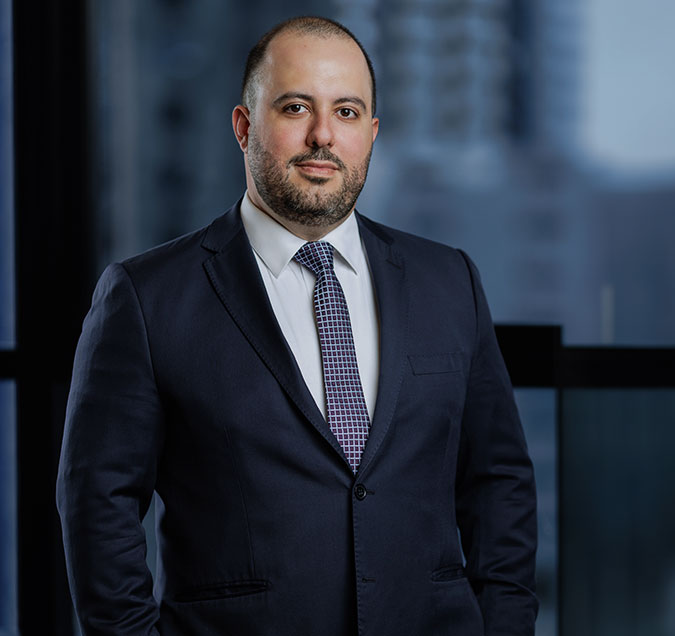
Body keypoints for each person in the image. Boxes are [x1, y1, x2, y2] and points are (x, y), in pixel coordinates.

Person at [56, 15, 538, 636]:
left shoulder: (449, 282)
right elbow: (98, 505)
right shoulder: (146, 298)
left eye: (345, 112)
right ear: (244, 126)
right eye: (294, 107)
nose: (321, 136)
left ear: (371, 132)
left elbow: (498, 481)